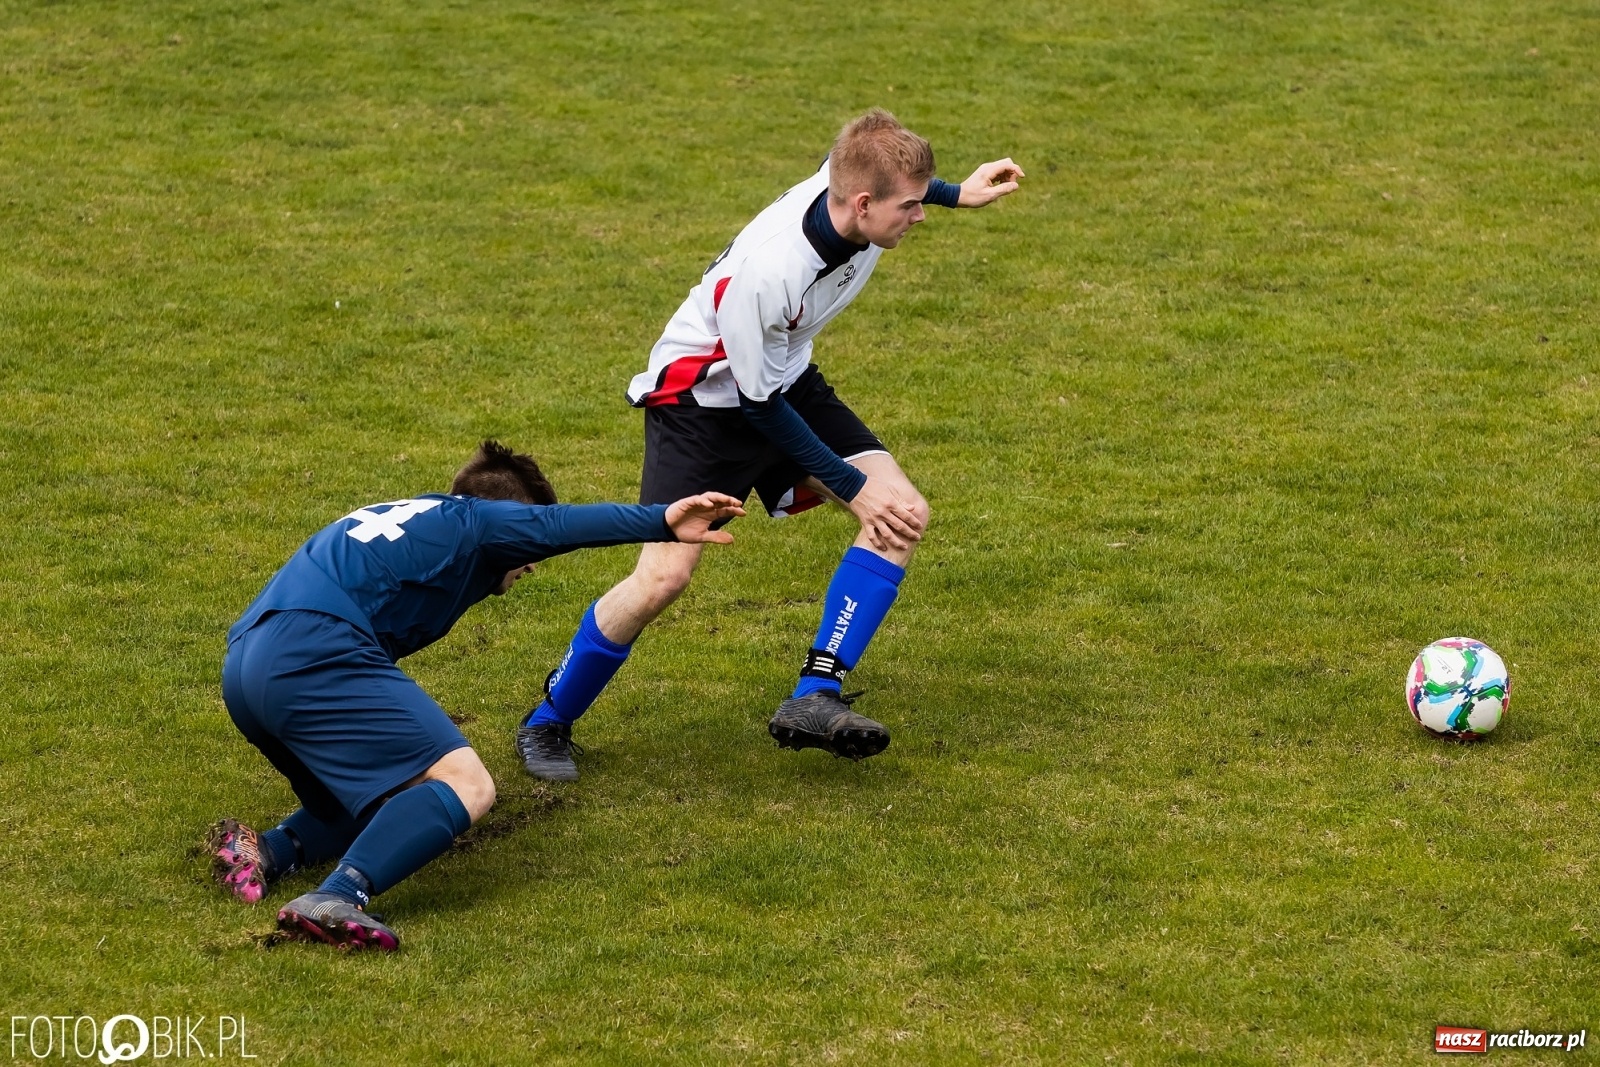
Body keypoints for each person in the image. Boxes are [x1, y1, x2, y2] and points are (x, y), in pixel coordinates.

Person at [515, 109, 1023, 780]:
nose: (919, 215)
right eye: (910, 206)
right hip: (702, 405)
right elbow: (757, 407)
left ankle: (815, 694)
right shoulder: (771, 271)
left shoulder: (850, 190)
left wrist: (960, 191)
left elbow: (881, 166)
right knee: (663, 578)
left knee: (901, 513)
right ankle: (547, 719)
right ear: (862, 205)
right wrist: (852, 489)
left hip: (782, 378)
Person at [208, 441, 743, 950]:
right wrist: (663, 521)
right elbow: (560, 525)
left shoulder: (411, 519)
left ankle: (265, 850)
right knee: (467, 785)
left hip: (247, 666)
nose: (532, 564)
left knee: (386, 795)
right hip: (314, 653)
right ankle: (337, 896)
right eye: (528, 549)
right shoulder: (477, 519)